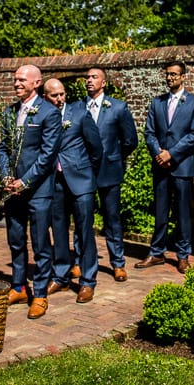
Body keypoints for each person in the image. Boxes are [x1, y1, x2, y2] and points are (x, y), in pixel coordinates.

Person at [0, 64, 63, 319]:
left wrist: (25, 181)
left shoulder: (49, 113)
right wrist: (6, 176)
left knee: (40, 243)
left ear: (36, 83)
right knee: (15, 239)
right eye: (15, 80)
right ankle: (19, 286)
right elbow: (2, 148)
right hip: (12, 190)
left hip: (38, 191)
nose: (16, 84)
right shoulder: (10, 112)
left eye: (22, 80)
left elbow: (47, 155)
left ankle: (41, 294)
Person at [136, 60, 194, 274]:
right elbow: (149, 132)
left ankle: (183, 256)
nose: (170, 78)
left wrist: (171, 153)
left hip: (181, 166)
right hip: (160, 166)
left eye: (174, 74)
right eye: (168, 74)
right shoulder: (157, 102)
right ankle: (156, 252)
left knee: (183, 213)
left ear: (183, 76)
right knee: (160, 211)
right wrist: (158, 152)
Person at [42, 78, 103, 304]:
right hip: (54, 182)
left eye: (62, 94)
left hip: (81, 182)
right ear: (45, 96)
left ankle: (88, 281)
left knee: (85, 231)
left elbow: (96, 148)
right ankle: (60, 275)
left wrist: (88, 174)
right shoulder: (41, 116)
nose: (59, 99)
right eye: (54, 95)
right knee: (58, 230)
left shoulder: (79, 113)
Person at [82, 67, 138, 282]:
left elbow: (130, 140)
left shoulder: (118, 107)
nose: (89, 80)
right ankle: (82, 260)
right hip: (83, 172)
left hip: (110, 171)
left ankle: (118, 263)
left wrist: (114, 156)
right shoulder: (78, 108)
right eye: (87, 77)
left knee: (112, 218)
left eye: (94, 77)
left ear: (103, 83)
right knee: (83, 218)